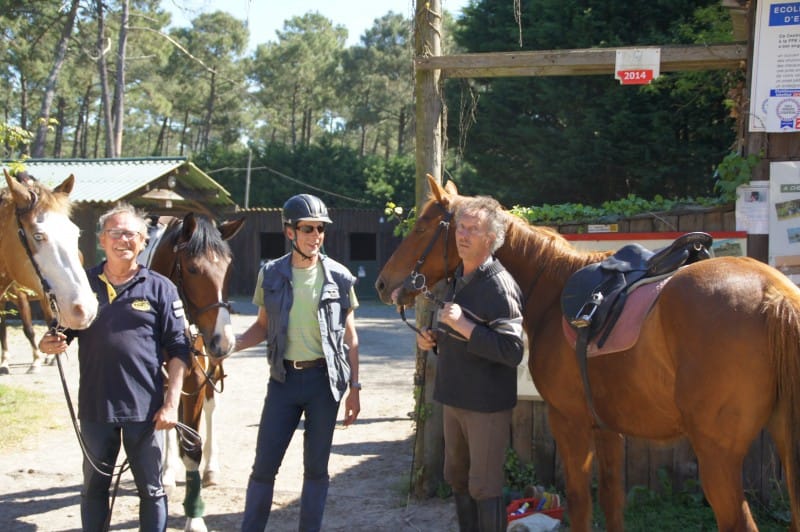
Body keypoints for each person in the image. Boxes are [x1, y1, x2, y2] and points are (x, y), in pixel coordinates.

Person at [38, 203, 190, 532]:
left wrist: (171, 404)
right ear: (101, 240)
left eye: (131, 234)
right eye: (115, 233)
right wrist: (48, 342)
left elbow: (180, 349)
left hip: (146, 412)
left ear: (144, 241)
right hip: (95, 409)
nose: (123, 239)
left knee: (151, 490)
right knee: (94, 490)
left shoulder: (161, 288)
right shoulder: (82, 285)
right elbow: (62, 330)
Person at [236, 193, 361, 532]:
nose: (316, 236)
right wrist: (229, 345)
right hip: (283, 382)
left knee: (317, 470)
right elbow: (262, 326)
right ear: (290, 232)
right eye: (308, 229)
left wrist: (355, 389)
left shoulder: (340, 276)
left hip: (325, 384)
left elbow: (351, 338)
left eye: (320, 229)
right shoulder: (271, 274)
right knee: (264, 467)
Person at [415, 196, 524, 532]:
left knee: (483, 486)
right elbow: (456, 339)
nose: (463, 235)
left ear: (490, 238)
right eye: (460, 227)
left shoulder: (500, 285)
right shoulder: (455, 281)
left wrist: (465, 326)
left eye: (473, 229)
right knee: (458, 480)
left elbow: (512, 349)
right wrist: (432, 341)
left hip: (486, 406)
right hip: (454, 398)